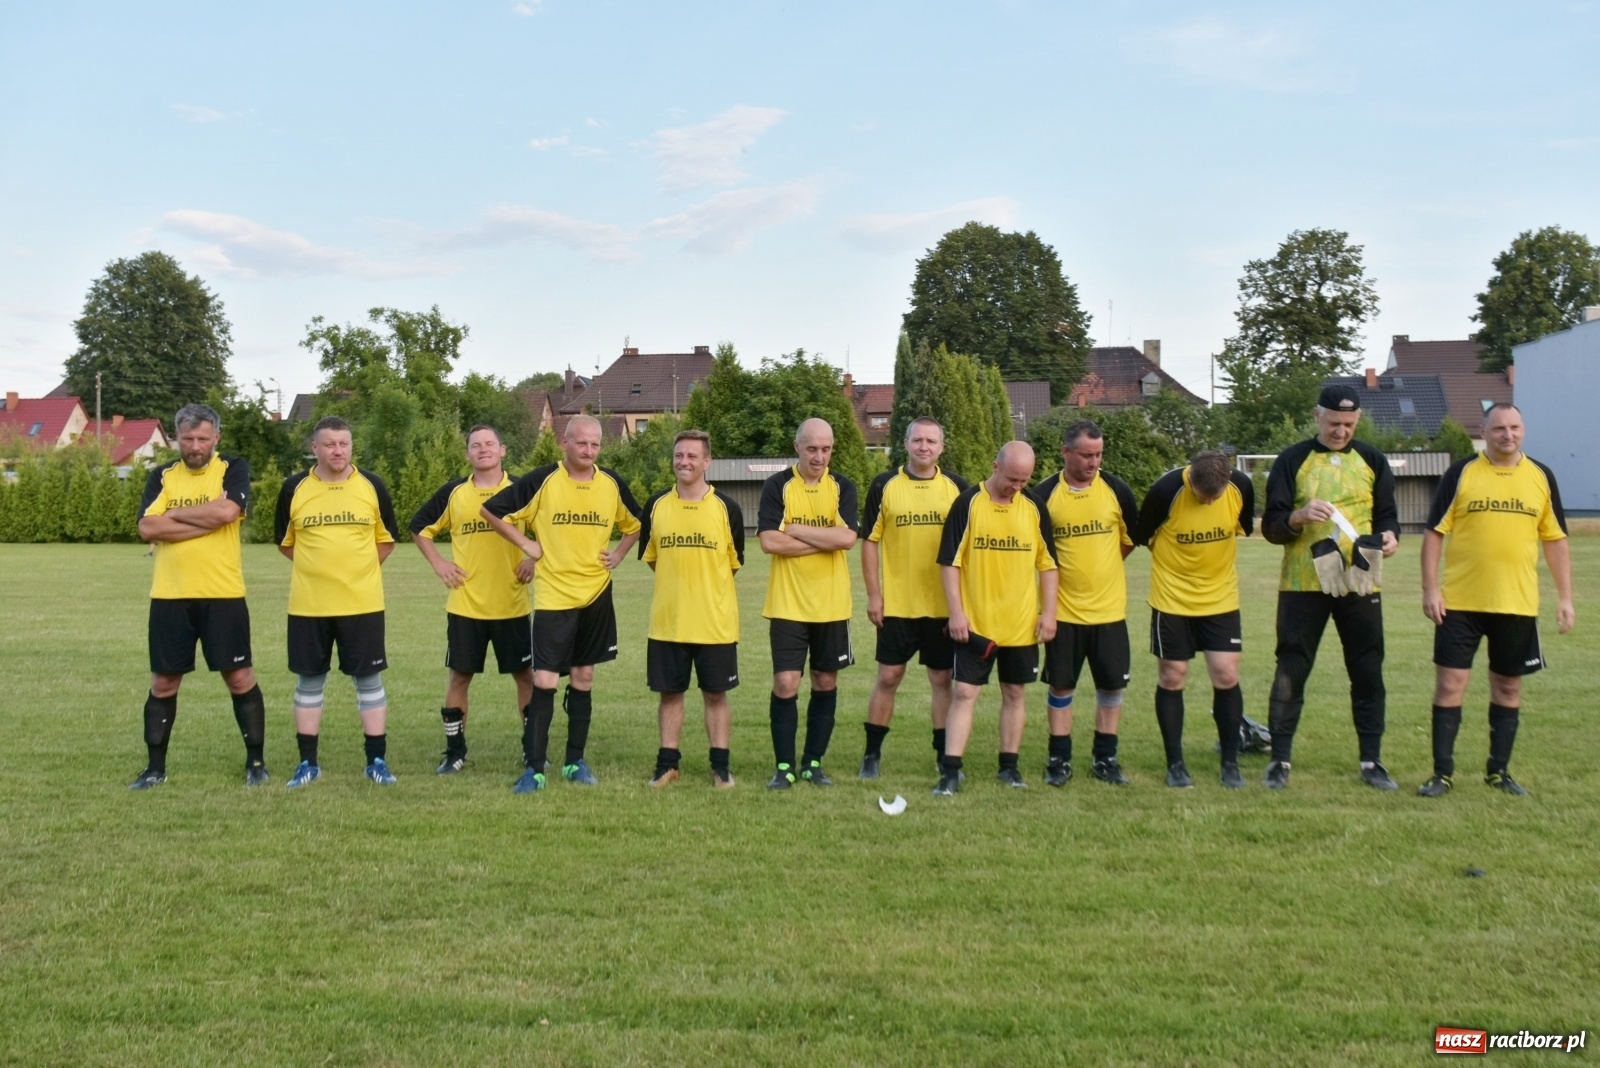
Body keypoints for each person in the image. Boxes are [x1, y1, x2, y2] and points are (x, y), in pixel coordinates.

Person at [1417, 403, 1574, 798]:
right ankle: (1442, 774)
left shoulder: (1541, 477)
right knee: (1450, 684)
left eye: (1515, 427)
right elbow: (1435, 533)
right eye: (1499, 428)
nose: (1508, 434)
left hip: (1517, 604)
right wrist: (1431, 589)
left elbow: (1555, 540)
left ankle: (1498, 771)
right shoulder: (1462, 473)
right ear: (1484, 433)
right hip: (1460, 604)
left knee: (1508, 689)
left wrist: (1565, 597)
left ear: (1524, 430)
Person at [480, 415, 642, 793]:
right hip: (555, 597)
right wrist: (527, 546)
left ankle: (574, 761)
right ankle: (534, 768)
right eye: (581, 443)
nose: (588, 451)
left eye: (595, 445)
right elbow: (490, 511)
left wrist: (618, 554)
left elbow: (636, 523)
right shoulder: (542, 480)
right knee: (544, 679)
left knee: (585, 677)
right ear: (564, 443)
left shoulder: (611, 482)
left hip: (597, 594)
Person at [1260, 385, 1401, 790]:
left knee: (1368, 667)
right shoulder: (1292, 460)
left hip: (1360, 577)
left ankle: (1372, 762)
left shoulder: (1373, 459)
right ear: (1317, 415)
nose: (1342, 431)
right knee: (1292, 666)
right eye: (1335, 423)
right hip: (1303, 582)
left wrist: (1390, 537)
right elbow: (1271, 526)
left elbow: (1387, 515)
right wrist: (1298, 516)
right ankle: (1279, 762)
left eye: (1350, 424)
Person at [128, 403, 268, 789]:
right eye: (187, 438)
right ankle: (155, 768)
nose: (194, 446)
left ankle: (256, 763)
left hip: (223, 594)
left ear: (216, 438)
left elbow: (227, 513)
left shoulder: (233, 468)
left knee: (239, 678)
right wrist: (201, 521)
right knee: (164, 683)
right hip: (170, 596)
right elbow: (146, 527)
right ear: (175, 438)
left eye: (202, 438)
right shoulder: (162, 476)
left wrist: (172, 518)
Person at [274, 416, 400, 787]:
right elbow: (286, 543)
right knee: (309, 682)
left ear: (351, 445)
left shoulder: (371, 485)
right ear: (314, 448)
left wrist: (355, 571)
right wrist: (320, 571)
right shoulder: (294, 488)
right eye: (329, 444)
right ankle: (307, 764)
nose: (337, 450)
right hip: (308, 606)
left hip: (362, 604)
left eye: (344, 443)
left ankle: (376, 761)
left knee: (369, 681)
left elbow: (386, 540)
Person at [934, 441, 1058, 796]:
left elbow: (1048, 564)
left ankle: (1009, 767)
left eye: (1024, 481)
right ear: (995, 466)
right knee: (964, 693)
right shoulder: (968, 504)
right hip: (976, 626)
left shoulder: (1034, 507)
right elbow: (949, 563)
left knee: (1015, 693)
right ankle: (951, 772)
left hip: (1021, 626)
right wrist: (957, 614)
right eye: (1011, 479)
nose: (1017, 487)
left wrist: (1048, 613)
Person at [409, 425, 534, 775]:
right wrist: (438, 563)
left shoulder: (523, 489)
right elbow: (419, 527)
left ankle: (532, 748)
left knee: (526, 676)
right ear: (467, 454)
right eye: (475, 446)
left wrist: (533, 558)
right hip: (466, 605)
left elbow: (552, 528)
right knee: (459, 678)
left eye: (489, 444)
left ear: (503, 450)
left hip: (512, 604)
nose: (483, 450)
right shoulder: (454, 493)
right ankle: (455, 751)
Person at [1135, 450, 1255, 789]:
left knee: (1226, 674)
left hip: (1221, 599)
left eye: (1214, 497)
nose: (1209, 502)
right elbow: (1143, 535)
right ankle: (1175, 764)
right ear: (1191, 481)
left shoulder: (1241, 487)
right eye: (1203, 497)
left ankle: (1230, 764)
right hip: (1172, 600)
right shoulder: (1165, 491)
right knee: (1173, 676)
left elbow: (1242, 527)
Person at [1030, 420, 1140, 787]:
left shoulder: (1116, 490)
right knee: (1061, 687)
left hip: (1110, 613)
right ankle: (1058, 760)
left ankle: (1105, 759)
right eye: (1086, 455)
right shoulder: (1044, 495)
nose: (1094, 462)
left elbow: (1128, 541)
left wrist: (1101, 572)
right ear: (1066, 453)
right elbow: (1037, 554)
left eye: (1098, 455)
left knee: (1112, 687)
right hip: (1063, 614)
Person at [856, 417, 968, 779]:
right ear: (904, 444)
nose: (924, 447)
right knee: (888, 677)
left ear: (942, 447)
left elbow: (968, 549)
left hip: (941, 606)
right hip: (898, 605)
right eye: (917, 440)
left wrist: (961, 608)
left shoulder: (958, 488)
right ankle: (872, 754)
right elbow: (870, 542)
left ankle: (943, 755)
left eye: (931, 441)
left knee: (941, 678)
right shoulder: (884, 485)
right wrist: (875, 595)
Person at [638, 429, 745, 788]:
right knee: (670, 694)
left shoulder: (727, 508)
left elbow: (732, 564)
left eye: (692, 456)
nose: (684, 461)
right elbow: (654, 560)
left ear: (707, 461)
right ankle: (667, 764)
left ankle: (720, 767)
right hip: (668, 623)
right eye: (679, 455)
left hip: (715, 623)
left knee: (716, 695)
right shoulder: (655, 505)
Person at [758, 417, 859, 789]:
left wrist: (797, 530)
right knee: (786, 682)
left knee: (824, 681)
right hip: (787, 605)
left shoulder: (842, 487)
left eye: (826, 449)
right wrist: (825, 537)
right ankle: (783, 767)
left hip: (832, 606)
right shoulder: (777, 486)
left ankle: (813, 764)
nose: (819, 457)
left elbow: (848, 539)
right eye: (812, 448)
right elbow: (769, 542)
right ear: (797, 446)